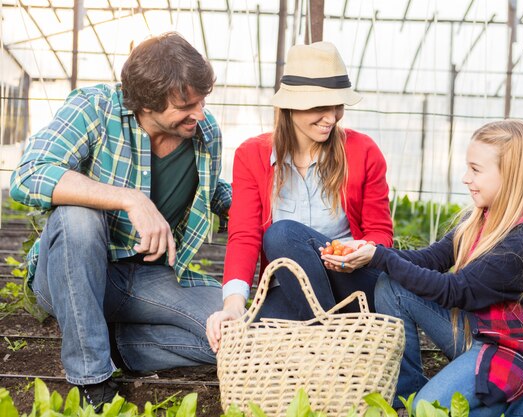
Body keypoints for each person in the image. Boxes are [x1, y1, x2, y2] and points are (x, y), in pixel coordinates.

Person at [10, 32, 231, 411]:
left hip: (145, 277)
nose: (199, 112)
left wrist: (251, 207)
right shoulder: (95, 109)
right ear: (145, 103)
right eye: (186, 105)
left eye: (202, 100)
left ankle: (117, 344)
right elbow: (29, 174)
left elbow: (210, 189)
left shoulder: (204, 133)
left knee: (235, 332)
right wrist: (131, 199)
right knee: (77, 217)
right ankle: (93, 380)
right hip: (69, 271)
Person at [321, 120, 523, 417]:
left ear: (512, 176)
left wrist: (380, 257)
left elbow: (454, 291)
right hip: (477, 331)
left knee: (431, 409)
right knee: (392, 287)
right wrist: (374, 251)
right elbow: (431, 259)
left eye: (476, 170)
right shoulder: (480, 220)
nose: (466, 178)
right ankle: (406, 398)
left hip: (510, 352)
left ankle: (513, 396)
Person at [206, 41, 393, 352]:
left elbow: (381, 233)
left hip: (354, 287)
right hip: (289, 289)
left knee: (282, 234)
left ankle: (321, 348)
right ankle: (337, 347)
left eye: (338, 106)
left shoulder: (363, 152)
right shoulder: (252, 155)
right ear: (290, 105)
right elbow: (244, 236)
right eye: (320, 106)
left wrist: (364, 250)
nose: (331, 117)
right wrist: (234, 305)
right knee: (242, 342)